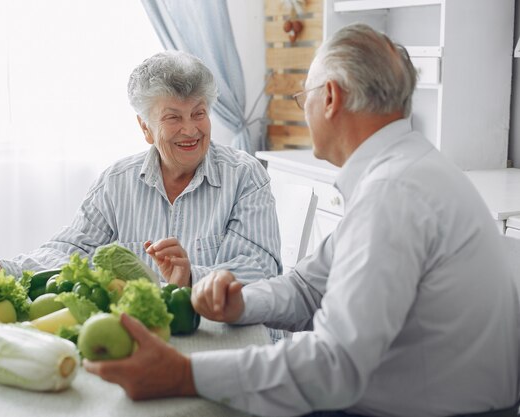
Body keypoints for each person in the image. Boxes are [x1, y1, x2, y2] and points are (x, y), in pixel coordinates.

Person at [83, 23, 520, 417]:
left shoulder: (394, 193)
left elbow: (334, 366)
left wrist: (184, 373)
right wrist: (241, 303)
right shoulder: (405, 171)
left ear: (328, 98)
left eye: (303, 97)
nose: (303, 110)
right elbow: (310, 286)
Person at [0, 51, 282, 287]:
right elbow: (72, 250)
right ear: (146, 128)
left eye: (198, 113)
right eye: (173, 117)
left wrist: (192, 275)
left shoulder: (244, 176)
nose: (191, 129)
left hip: (221, 336)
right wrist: (3, 269)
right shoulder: (117, 181)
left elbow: (259, 269)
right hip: (145, 336)